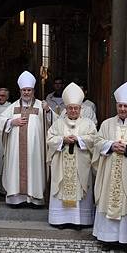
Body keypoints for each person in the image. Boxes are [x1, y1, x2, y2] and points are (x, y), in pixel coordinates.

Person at [92, 82, 127, 250]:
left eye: (125, 106)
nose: (122, 108)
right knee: (108, 200)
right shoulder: (106, 124)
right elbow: (97, 141)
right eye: (120, 105)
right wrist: (110, 145)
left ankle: (126, 240)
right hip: (109, 172)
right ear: (116, 105)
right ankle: (107, 239)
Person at [0, 71, 56, 206]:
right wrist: (12, 122)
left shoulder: (41, 106)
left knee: (34, 171)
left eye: (29, 90)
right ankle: (16, 199)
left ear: (33, 90)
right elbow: (0, 120)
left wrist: (48, 111)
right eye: (24, 90)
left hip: (35, 150)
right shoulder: (13, 107)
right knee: (16, 171)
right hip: (16, 151)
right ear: (20, 91)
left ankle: (34, 198)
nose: (26, 93)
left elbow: (53, 123)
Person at [46, 82, 98, 228]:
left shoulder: (88, 124)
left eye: (76, 108)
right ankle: (60, 220)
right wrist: (62, 139)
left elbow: (94, 139)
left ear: (81, 109)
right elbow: (49, 139)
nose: (73, 110)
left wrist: (79, 139)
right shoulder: (58, 124)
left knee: (80, 187)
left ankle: (80, 221)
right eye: (70, 108)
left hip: (81, 164)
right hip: (62, 164)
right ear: (66, 109)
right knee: (62, 186)